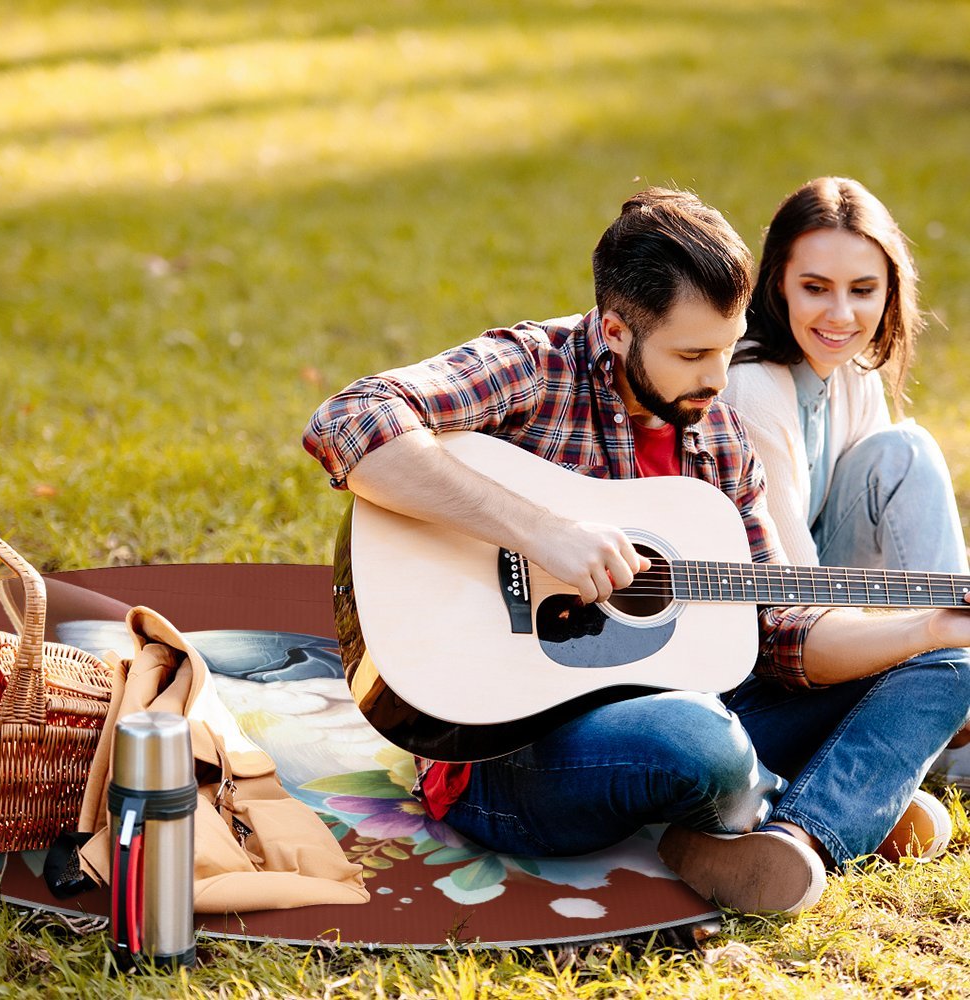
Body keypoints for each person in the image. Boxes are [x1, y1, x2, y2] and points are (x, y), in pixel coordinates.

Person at [303, 187, 970, 916]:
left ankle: (799, 836)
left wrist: (927, 628)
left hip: (696, 709)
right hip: (507, 755)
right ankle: (827, 796)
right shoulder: (534, 367)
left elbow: (779, 629)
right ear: (616, 330)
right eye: (692, 354)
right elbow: (350, 419)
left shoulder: (718, 436)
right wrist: (539, 531)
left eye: (727, 346)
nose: (718, 380)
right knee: (699, 741)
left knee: (950, 664)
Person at [723, 176, 970, 789]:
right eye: (815, 288)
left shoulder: (852, 370)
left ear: (890, 291)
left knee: (901, 451)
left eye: (863, 290)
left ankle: (948, 696)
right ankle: (944, 712)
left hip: (833, 613)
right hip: (767, 649)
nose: (841, 315)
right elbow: (794, 603)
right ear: (777, 281)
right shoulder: (753, 386)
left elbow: (891, 543)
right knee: (907, 451)